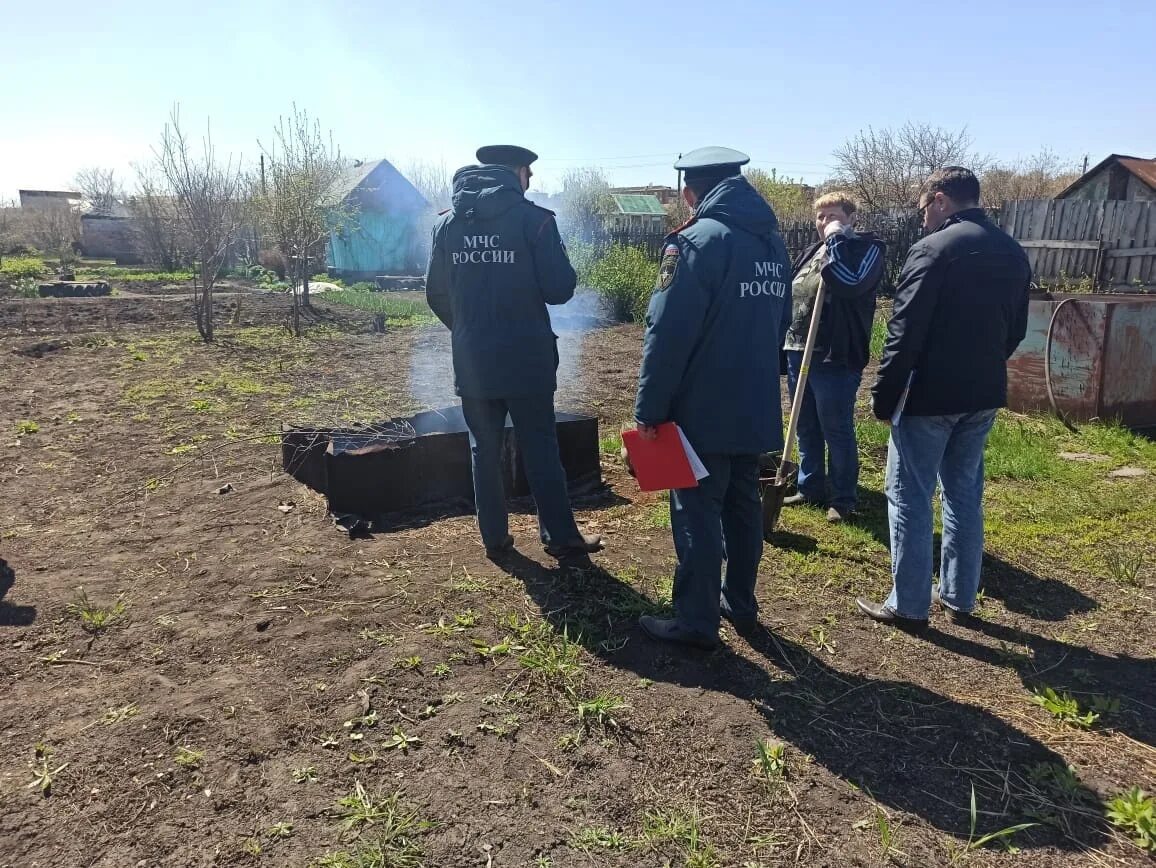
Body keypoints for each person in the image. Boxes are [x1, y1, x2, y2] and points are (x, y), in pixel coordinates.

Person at [857, 167, 1030, 630]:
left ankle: (909, 604)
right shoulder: (1012, 251)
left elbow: (904, 331)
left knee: (909, 495)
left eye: (922, 210)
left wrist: (884, 394)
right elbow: (1016, 329)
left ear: (938, 200)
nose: (922, 220)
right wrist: (986, 365)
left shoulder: (933, 250)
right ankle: (959, 595)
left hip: (928, 397)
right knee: (964, 494)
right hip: (983, 392)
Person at [633, 147, 792, 650]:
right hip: (756, 401)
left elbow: (667, 332)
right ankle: (740, 604)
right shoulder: (772, 244)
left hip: (702, 407)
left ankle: (697, 622)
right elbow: (781, 322)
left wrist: (649, 410)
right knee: (743, 505)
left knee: (697, 510)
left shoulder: (695, 242)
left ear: (689, 193)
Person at [425, 144, 602, 563]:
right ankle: (560, 537)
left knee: (482, 450)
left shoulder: (447, 226)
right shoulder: (534, 221)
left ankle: (494, 541)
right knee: (540, 448)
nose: (532, 181)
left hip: (474, 361)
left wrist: (469, 329)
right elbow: (559, 290)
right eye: (530, 172)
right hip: (527, 360)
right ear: (518, 172)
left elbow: (435, 293)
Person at [782, 192, 885, 522]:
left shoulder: (866, 250)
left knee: (835, 427)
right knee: (806, 424)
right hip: (798, 349)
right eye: (821, 217)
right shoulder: (813, 252)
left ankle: (843, 498)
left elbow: (850, 284)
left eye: (833, 215)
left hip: (834, 356)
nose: (825, 222)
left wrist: (837, 239)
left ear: (851, 218)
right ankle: (810, 486)